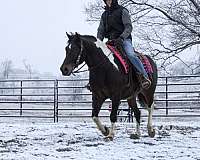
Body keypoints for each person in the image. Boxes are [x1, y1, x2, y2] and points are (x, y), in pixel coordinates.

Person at [97, 0, 151, 89]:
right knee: (99, 57)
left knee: (130, 55)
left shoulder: (123, 11)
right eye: (107, 0)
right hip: (111, 41)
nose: (108, 2)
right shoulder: (104, 15)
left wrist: (122, 38)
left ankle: (144, 77)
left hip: (124, 40)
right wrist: (98, 43)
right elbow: (101, 30)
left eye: (110, 0)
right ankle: (97, 81)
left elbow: (128, 27)